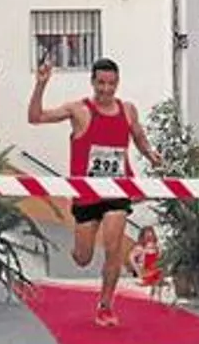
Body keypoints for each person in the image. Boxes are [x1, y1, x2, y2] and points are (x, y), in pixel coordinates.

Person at [28, 57, 162, 327]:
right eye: (101, 83)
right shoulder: (78, 110)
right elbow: (36, 118)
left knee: (113, 249)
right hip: (87, 194)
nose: (106, 89)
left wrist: (150, 154)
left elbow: (138, 135)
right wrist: (41, 85)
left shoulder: (128, 110)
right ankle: (81, 251)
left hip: (117, 190)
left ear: (117, 83)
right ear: (92, 82)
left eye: (111, 84)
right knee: (83, 258)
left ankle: (105, 304)